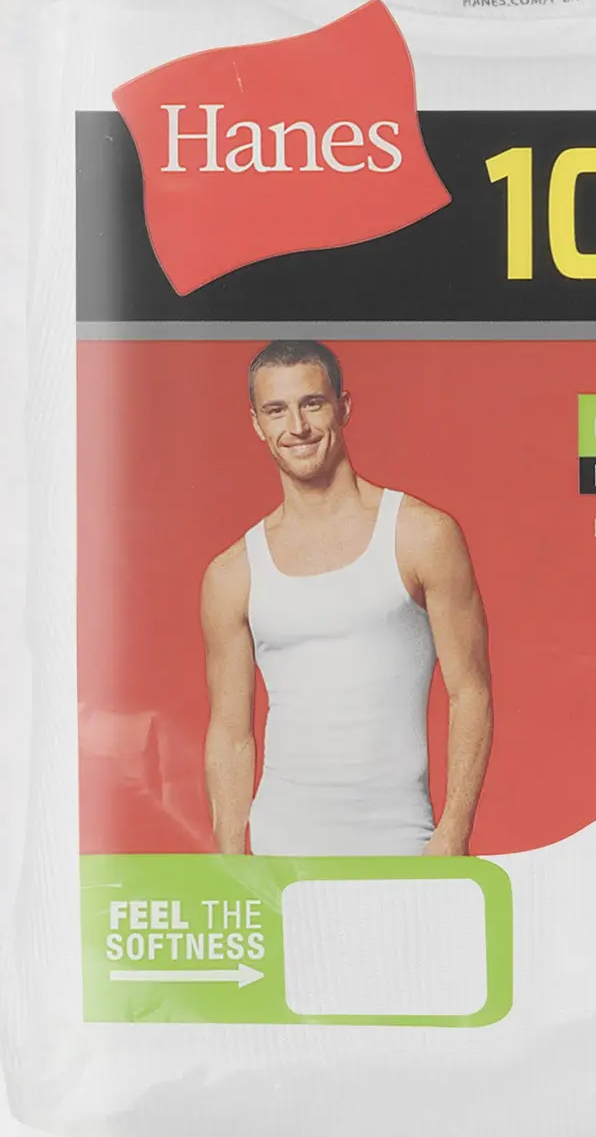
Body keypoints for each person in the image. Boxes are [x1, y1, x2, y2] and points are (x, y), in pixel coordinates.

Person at [200, 338, 493, 856]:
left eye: (312, 403)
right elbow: (229, 731)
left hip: (400, 840)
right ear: (257, 424)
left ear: (343, 407)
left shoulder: (421, 535)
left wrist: (454, 831)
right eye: (276, 410)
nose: (297, 427)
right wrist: (230, 858)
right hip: (278, 850)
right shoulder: (232, 573)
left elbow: (470, 692)